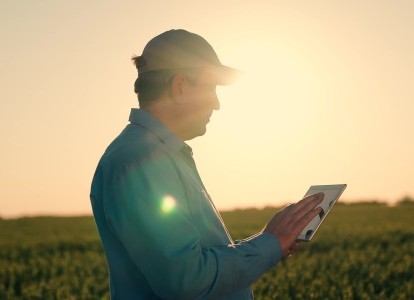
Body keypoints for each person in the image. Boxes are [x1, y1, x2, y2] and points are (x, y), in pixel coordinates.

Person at [90, 29, 324, 299]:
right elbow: (187, 279)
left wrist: (271, 240)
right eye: (211, 88)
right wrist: (269, 244)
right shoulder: (141, 160)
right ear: (180, 87)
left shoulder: (156, 153)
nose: (216, 103)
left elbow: (190, 261)